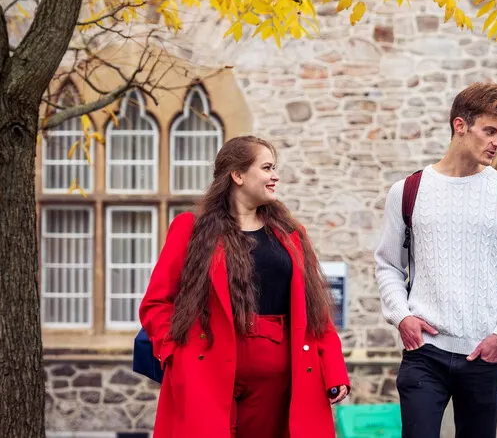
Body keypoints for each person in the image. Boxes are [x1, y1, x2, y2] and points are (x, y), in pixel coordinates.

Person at [139, 136, 350, 438]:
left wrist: (333, 368)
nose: (275, 175)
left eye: (274, 167)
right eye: (266, 167)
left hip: (279, 381)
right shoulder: (191, 228)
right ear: (237, 175)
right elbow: (157, 303)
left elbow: (315, 312)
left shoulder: (291, 234)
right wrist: (176, 354)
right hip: (206, 372)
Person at [375, 82, 497, 437]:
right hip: (424, 353)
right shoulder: (408, 192)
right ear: (460, 126)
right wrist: (403, 317)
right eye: (490, 131)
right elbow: (388, 264)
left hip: (483, 354)